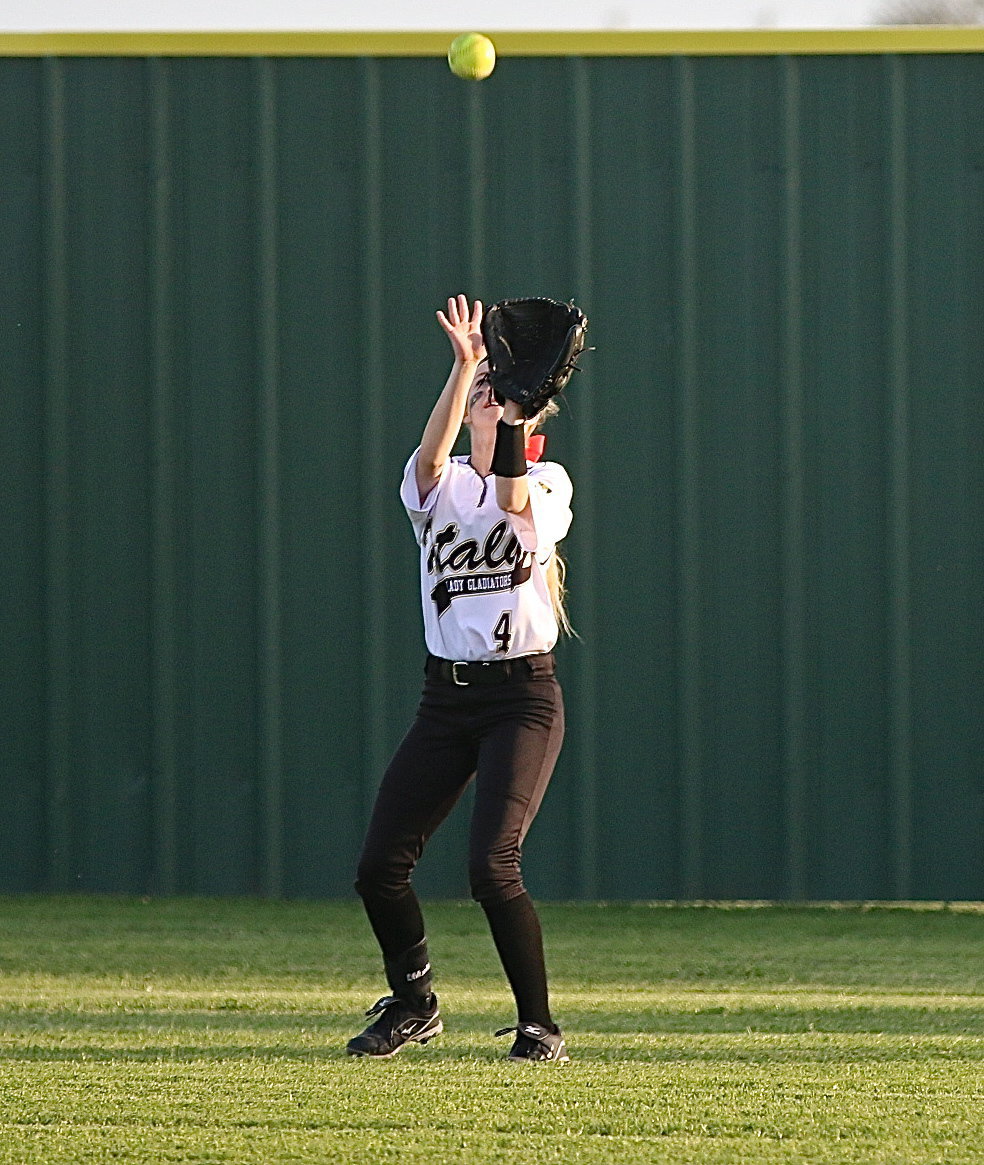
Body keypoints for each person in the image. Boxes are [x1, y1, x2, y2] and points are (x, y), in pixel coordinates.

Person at [347, 294, 574, 1063]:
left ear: (524, 418)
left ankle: (539, 1024)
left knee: (491, 863)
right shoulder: (437, 490)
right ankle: (415, 1004)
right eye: (481, 392)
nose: (485, 396)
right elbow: (428, 460)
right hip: (447, 698)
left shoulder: (546, 483)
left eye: (498, 393)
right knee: (379, 867)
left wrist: (511, 416)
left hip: (522, 698)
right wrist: (465, 364)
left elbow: (510, 496)